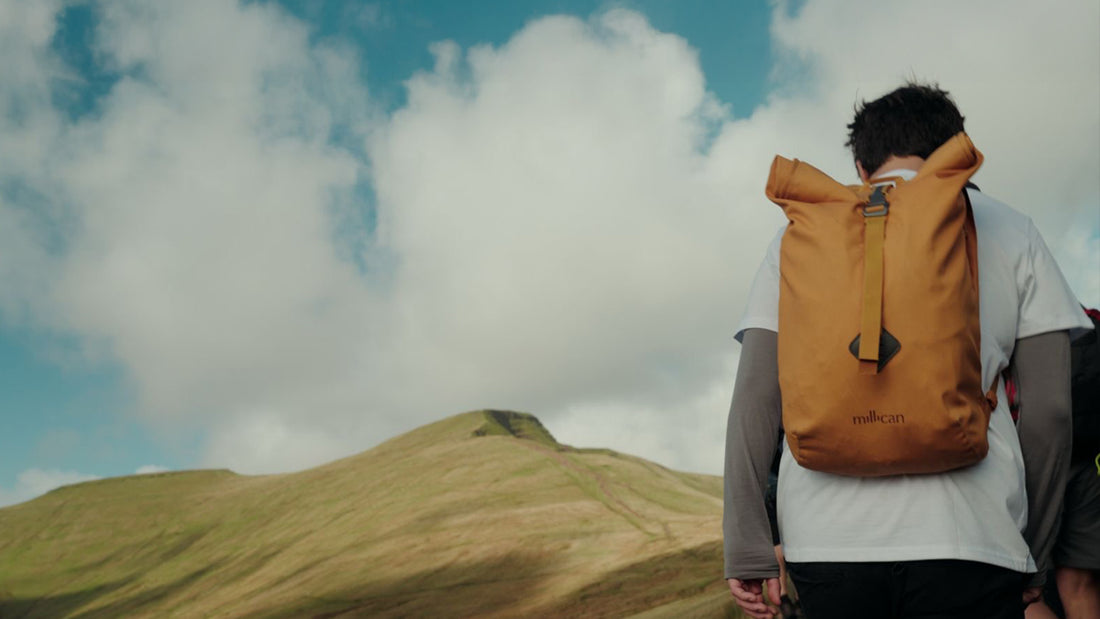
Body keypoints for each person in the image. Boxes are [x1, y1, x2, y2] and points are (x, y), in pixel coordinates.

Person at [723, 82, 1093, 619]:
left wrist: (748, 544)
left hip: (826, 544)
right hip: (973, 537)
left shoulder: (798, 238)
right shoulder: (1012, 230)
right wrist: (1033, 551)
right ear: (952, 149)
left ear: (860, 164)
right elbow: (1051, 413)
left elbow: (756, 397)